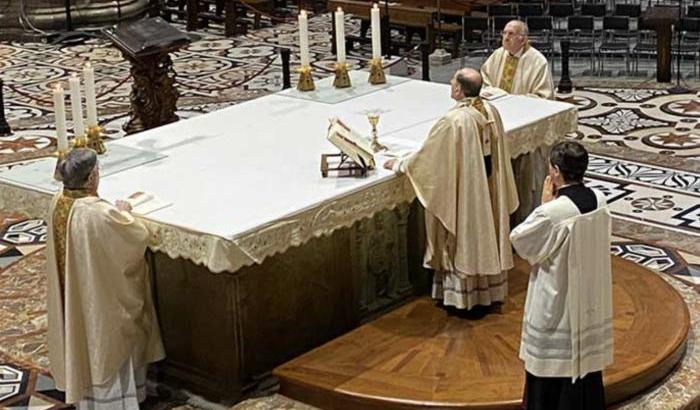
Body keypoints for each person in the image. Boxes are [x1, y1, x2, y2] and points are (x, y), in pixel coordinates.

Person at [384, 68, 518, 311]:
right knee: (484, 233)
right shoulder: (490, 109)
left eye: (453, 81)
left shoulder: (454, 120)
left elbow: (429, 159)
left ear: (459, 89)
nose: (449, 83)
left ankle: (464, 298)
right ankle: (488, 290)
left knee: (466, 236)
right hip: (486, 189)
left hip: (467, 193)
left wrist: (401, 163)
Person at [46, 148, 165, 409]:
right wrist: (124, 212)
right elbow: (136, 236)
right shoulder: (98, 213)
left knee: (80, 336)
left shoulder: (58, 202)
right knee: (106, 337)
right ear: (91, 179)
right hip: (99, 301)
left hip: (75, 298)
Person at [509, 141, 613, 410]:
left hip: (559, 303)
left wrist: (544, 205)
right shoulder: (600, 201)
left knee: (552, 373)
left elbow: (520, 241)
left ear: (555, 172)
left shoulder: (554, 213)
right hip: (590, 299)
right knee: (584, 370)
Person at [481, 20, 554, 99]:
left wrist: (514, 100)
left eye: (511, 34)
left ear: (522, 40)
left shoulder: (538, 61)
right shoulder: (498, 54)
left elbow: (543, 95)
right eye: (504, 33)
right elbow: (484, 79)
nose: (506, 38)